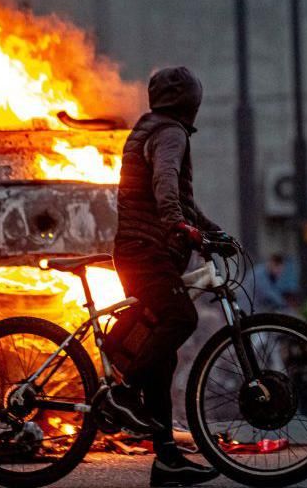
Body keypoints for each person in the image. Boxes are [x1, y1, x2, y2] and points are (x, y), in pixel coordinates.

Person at [104, 66, 224, 487]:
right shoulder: (171, 132)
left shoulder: (152, 126)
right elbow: (166, 183)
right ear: (190, 101)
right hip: (146, 251)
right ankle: (121, 394)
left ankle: (167, 460)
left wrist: (210, 232)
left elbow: (183, 203)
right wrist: (178, 224)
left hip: (143, 250)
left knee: (164, 357)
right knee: (182, 319)